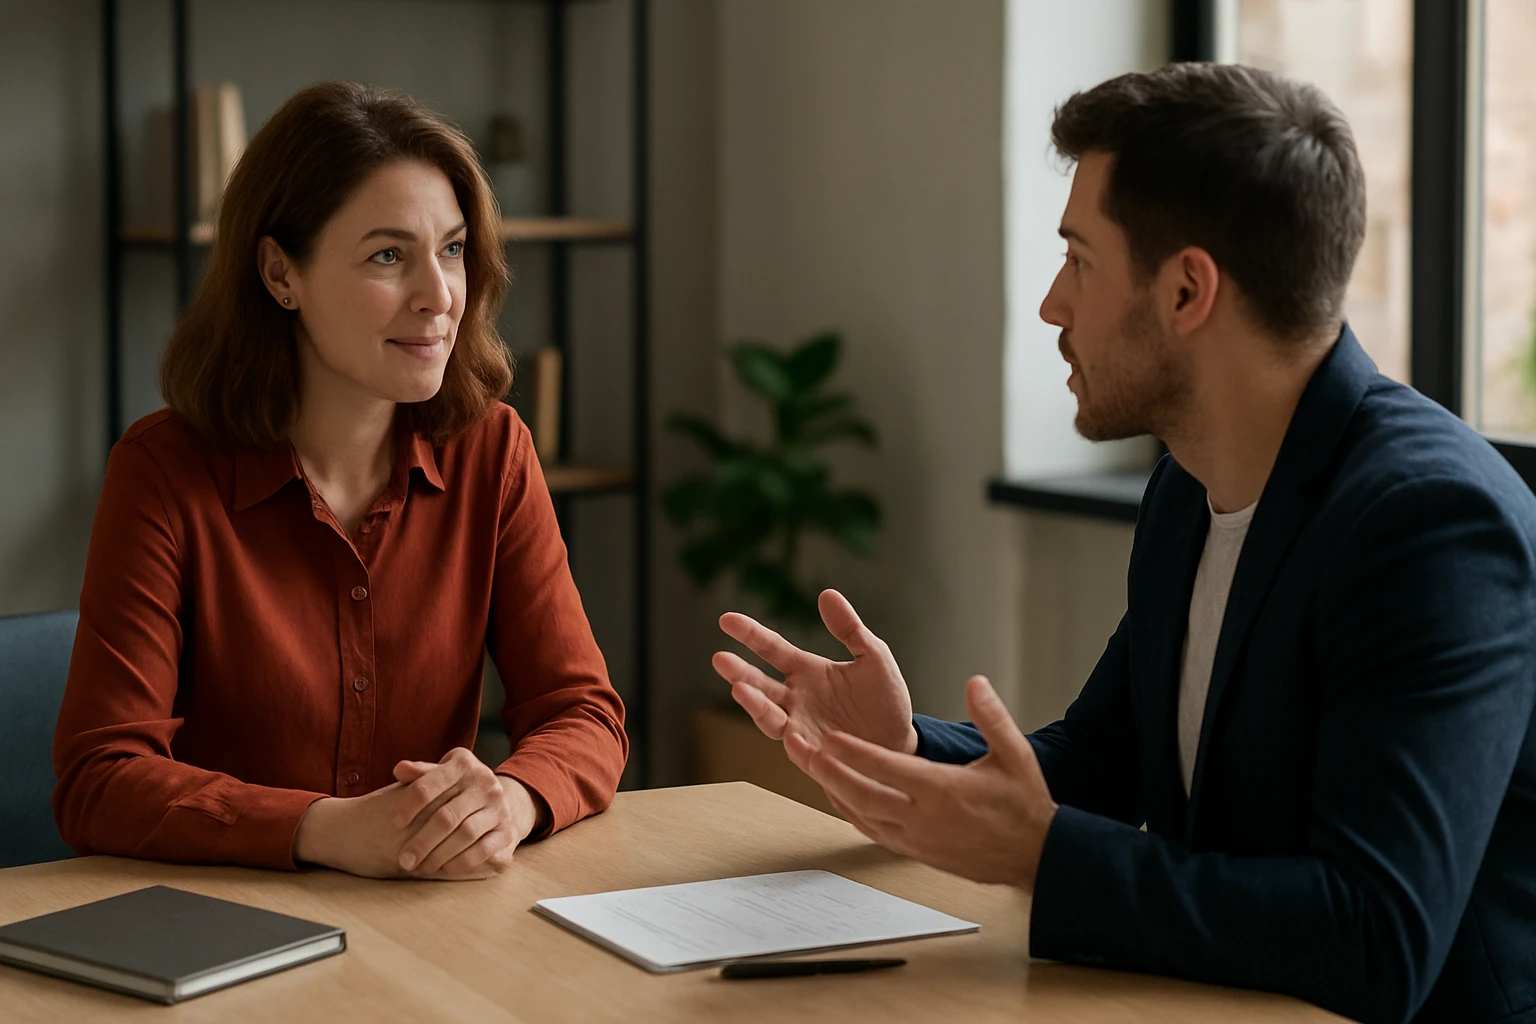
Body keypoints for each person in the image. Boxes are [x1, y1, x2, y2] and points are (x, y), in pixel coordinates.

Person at [713, 62, 1536, 1024]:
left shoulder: (1430, 524)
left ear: (1188, 289)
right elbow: (1101, 760)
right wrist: (905, 747)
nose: (1052, 307)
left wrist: (1044, 855)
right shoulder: (1192, 483)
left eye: (1078, 259)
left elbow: (1376, 936)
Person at [52, 82, 627, 880]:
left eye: (453, 249)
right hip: (224, 923)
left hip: (430, 917)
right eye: (388, 256)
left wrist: (514, 798)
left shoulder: (492, 451)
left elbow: (583, 713)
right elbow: (99, 780)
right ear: (280, 273)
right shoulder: (163, 472)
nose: (439, 297)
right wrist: (326, 829)